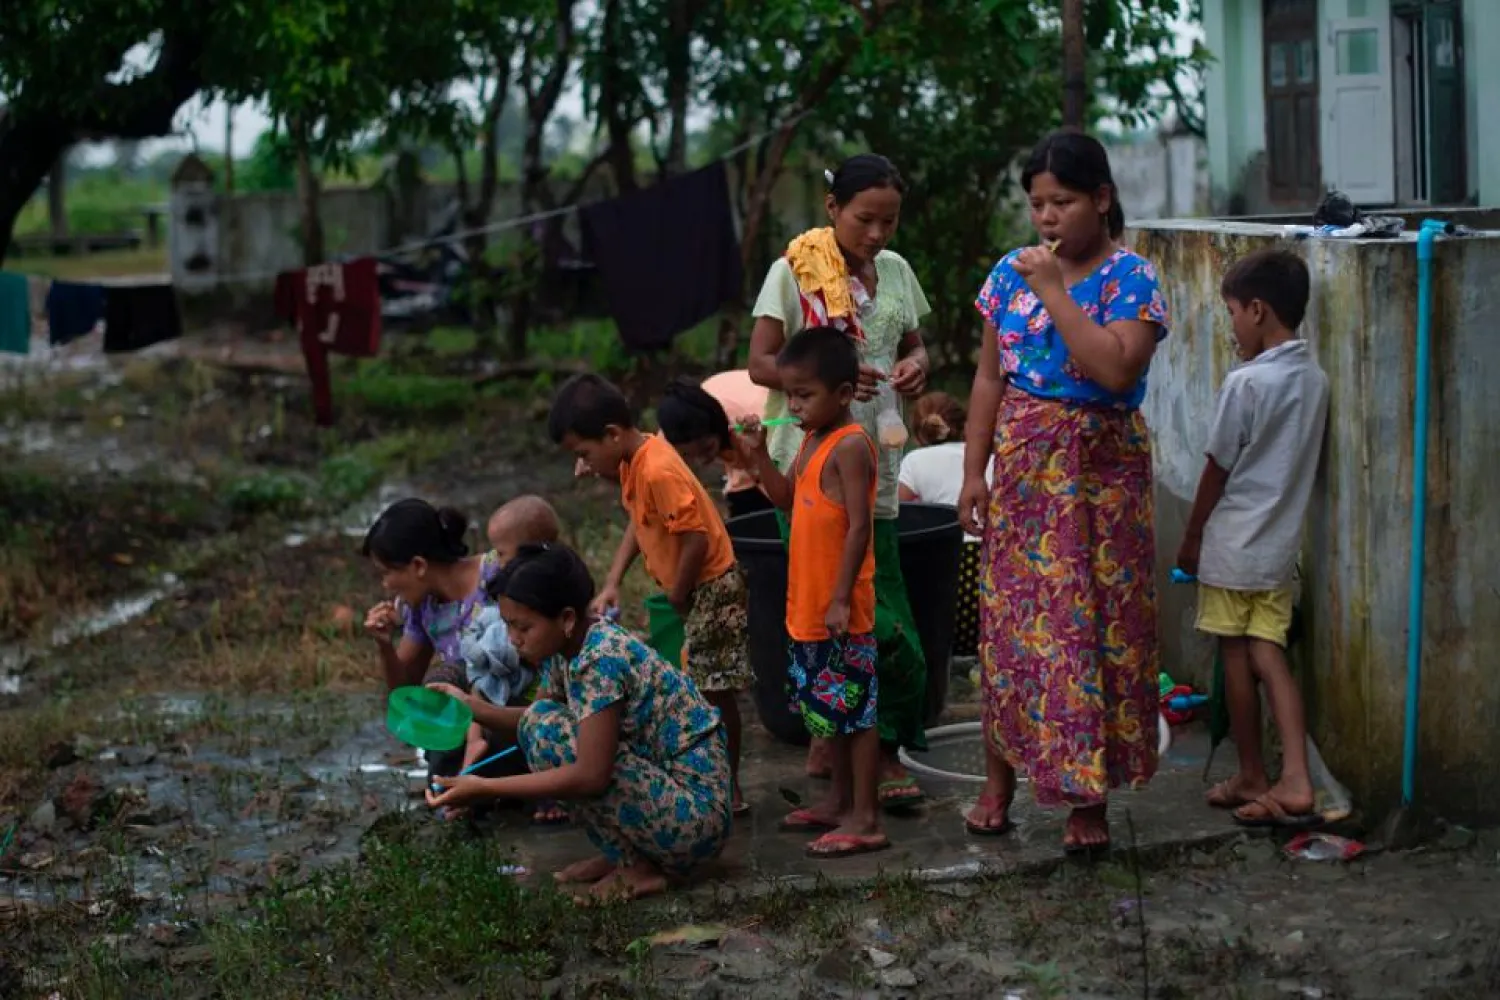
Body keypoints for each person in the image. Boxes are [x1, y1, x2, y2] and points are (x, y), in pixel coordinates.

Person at [957, 130, 1171, 853]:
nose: (1046, 219)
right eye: (1036, 204)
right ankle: (998, 784)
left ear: (1102, 199)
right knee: (1012, 631)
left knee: (1095, 631)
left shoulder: (1132, 278)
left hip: (1099, 479)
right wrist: (971, 471)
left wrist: (1052, 289)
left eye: (1063, 202)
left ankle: (1088, 801)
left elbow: (1114, 372)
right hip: (1022, 473)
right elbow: (990, 376)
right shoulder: (1007, 274)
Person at [747, 153, 931, 809]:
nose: (877, 234)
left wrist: (913, 367)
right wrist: (830, 381)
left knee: (874, 611)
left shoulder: (896, 272)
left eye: (890, 220)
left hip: (876, 460)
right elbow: (761, 362)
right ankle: (860, 747)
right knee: (831, 614)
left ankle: (854, 740)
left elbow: (915, 344)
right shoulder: (791, 274)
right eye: (864, 219)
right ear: (832, 210)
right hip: (810, 467)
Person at [427, 543, 732, 902]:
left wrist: (486, 788)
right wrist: (467, 706)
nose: (513, 638)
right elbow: (531, 723)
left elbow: (591, 774)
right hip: (666, 798)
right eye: (508, 624)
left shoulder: (600, 659)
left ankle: (644, 868)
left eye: (523, 626)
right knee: (541, 728)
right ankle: (627, 856)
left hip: (694, 821)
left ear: (566, 618)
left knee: (553, 738)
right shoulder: (567, 649)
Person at [547, 373, 753, 816]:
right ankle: (717, 781)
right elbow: (641, 522)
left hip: (711, 585)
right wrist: (613, 581)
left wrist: (679, 593)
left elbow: (695, 536)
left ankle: (729, 788)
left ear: (612, 434)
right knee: (700, 685)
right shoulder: (633, 463)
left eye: (585, 453)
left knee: (712, 692)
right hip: (694, 587)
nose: (584, 463)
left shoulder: (657, 468)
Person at [1175, 249, 1329, 829]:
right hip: (1279, 551)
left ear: (1259, 311)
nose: (1231, 324)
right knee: (1273, 657)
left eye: (1233, 312)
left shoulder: (1247, 382)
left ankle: (1254, 774)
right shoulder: (1313, 379)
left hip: (1233, 545)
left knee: (1237, 657)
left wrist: (1191, 541)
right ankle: (1295, 776)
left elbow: (1217, 467)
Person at [739, 327, 885, 858]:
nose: (794, 405)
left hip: (840, 609)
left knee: (857, 715)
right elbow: (784, 500)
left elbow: (860, 527)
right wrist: (756, 457)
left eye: (805, 395)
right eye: (790, 395)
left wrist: (842, 597)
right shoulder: (811, 440)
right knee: (832, 713)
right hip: (811, 608)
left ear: (843, 395)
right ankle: (839, 802)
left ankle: (865, 817)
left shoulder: (849, 446)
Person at [898, 392, 989, 660]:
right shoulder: (987, 459)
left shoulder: (914, 462)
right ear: (962, 428)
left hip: (946, 582)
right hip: (986, 577)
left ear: (917, 434)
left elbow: (901, 518)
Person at [656, 372, 773, 520]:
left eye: (707, 449)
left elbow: (785, 494)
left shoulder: (759, 423)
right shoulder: (673, 431)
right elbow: (649, 499)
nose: (701, 461)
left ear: (719, 427)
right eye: (688, 455)